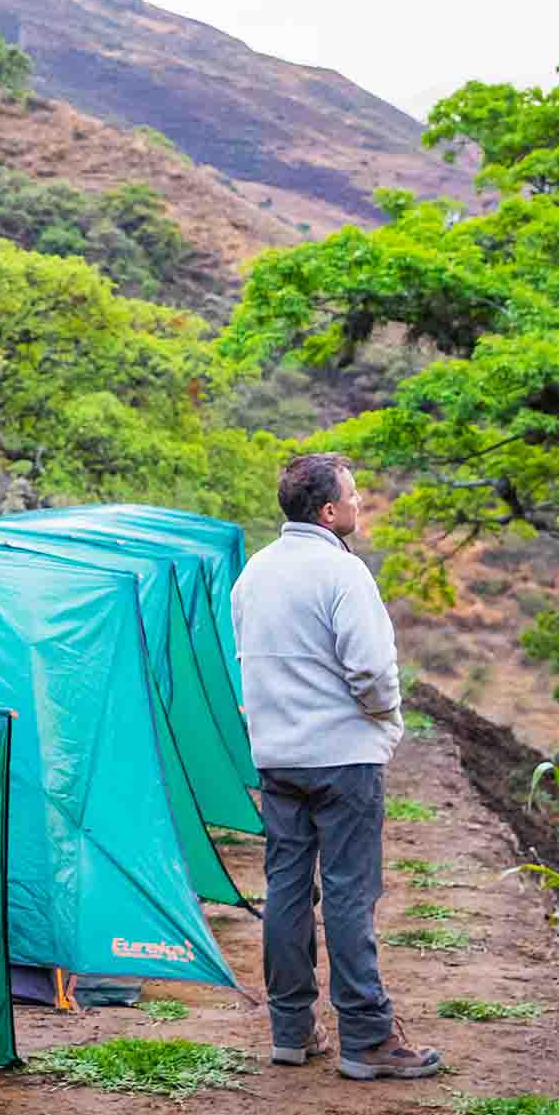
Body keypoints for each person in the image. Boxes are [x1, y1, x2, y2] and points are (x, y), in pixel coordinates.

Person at [230, 452, 440, 1080]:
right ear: (328, 511)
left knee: (288, 891)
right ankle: (367, 1039)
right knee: (350, 894)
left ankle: (292, 1031)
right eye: (353, 497)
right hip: (343, 758)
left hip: (277, 757)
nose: (359, 506)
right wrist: (385, 719)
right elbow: (373, 671)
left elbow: (249, 658)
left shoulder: (254, 574)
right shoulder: (343, 574)